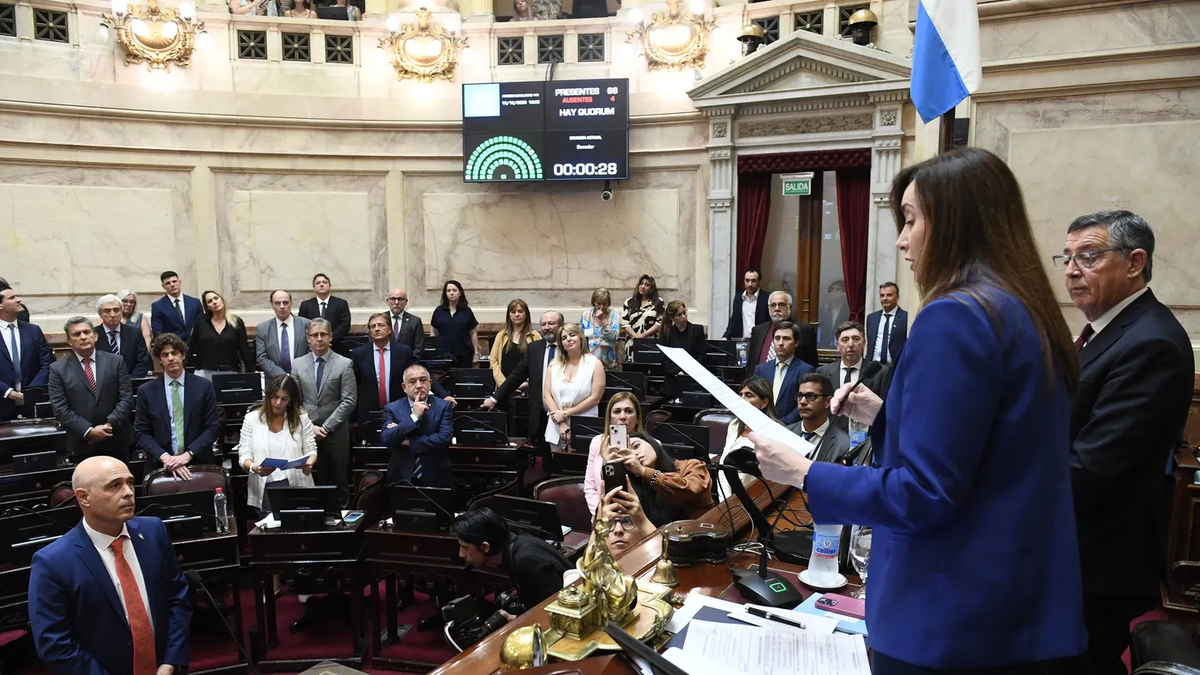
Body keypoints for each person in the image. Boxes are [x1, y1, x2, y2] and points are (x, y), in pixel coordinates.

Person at [752, 147, 1087, 673]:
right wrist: (885, 415)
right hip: (1018, 600)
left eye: (910, 220)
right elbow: (995, 448)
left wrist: (805, 473)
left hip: (948, 613)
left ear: (957, 222)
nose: (903, 239)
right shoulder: (1021, 310)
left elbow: (928, 494)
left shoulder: (954, 318)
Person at [1056, 210, 1194, 675]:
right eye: (1068, 257)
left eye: (1089, 257)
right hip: (1077, 552)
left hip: (1096, 562)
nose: (1072, 270)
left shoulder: (1149, 341)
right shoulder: (1105, 332)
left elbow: (1092, 469)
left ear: (1135, 262)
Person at [28, 456, 191, 675]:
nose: (128, 492)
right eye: (115, 485)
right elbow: (54, 644)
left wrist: (171, 661)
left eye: (130, 482)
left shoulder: (154, 532)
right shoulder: (52, 562)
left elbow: (178, 599)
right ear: (84, 497)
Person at [134, 333, 220, 480]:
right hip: (160, 466)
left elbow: (213, 428)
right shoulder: (146, 391)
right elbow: (141, 432)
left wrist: (187, 455)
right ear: (160, 360)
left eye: (174, 353)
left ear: (183, 355)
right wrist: (166, 457)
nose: (171, 358)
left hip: (198, 463)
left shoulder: (204, 386)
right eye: (165, 355)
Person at [49, 317, 134, 463]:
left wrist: (108, 425)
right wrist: (89, 431)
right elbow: (60, 409)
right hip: (83, 444)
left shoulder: (116, 361)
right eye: (76, 334)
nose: (83, 337)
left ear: (95, 336)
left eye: (87, 332)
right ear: (69, 341)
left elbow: (126, 398)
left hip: (116, 439)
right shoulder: (58, 369)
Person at [351, 313, 453, 434]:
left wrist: (443, 394)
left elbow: (420, 372)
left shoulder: (402, 351)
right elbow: (353, 385)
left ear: (389, 329)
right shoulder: (359, 354)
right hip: (369, 412)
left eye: (381, 325)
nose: (377, 329)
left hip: (398, 410)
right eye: (373, 326)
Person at [292, 319, 357, 507]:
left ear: (330, 337)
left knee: (340, 482)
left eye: (323, 334)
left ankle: (344, 526)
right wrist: (310, 426)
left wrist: (326, 427)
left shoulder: (344, 364)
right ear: (308, 339)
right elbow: (294, 401)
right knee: (313, 481)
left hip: (336, 434)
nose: (319, 339)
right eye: (314, 335)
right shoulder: (297, 364)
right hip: (307, 433)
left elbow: (349, 400)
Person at [452, 507, 571, 607]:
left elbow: (554, 607)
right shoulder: (515, 548)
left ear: (485, 547)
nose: (461, 554)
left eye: (465, 548)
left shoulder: (526, 559)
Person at [238, 375, 317, 517]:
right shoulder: (252, 419)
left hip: (297, 484)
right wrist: (254, 467)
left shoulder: (301, 418)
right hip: (266, 487)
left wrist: (309, 463)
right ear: (268, 396)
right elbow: (244, 454)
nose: (278, 403)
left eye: (284, 399)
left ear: (291, 400)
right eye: (275, 397)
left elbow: (311, 448)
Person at [482, 310, 563, 444]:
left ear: (561, 325)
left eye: (551, 323)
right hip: (541, 412)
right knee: (544, 456)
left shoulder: (570, 348)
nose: (547, 327)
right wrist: (495, 398)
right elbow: (516, 375)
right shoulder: (534, 349)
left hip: (565, 411)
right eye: (543, 324)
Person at [610, 432, 712, 524]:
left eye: (636, 446)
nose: (635, 454)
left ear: (654, 444)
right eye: (629, 453)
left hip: (698, 537)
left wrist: (644, 472)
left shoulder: (691, 466)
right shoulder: (633, 484)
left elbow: (689, 490)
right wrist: (609, 467)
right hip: (656, 540)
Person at [382, 364, 454, 489]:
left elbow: (445, 438)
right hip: (401, 476)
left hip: (436, 475)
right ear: (404, 387)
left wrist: (408, 441)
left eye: (423, 380)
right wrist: (414, 417)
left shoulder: (443, 406)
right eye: (412, 381)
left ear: (430, 383)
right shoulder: (392, 408)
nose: (419, 385)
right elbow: (387, 439)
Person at [815, 321, 889, 432]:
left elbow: (885, 409)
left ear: (864, 344)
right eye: (845, 340)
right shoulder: (823, 372)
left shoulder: (880, 372)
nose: (850, 344)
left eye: (856, 339)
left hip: (866, 438)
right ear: (838, 346)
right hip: (831, 437)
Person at [543, 324, 605, 449]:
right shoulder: (554, 365)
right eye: (564, 338)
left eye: (572, 335)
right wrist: (561, 422)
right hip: (557, 426)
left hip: (584, 424)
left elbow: (595, 398)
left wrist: (565, 414)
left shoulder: (594, 363)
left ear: (580, 338)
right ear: (561, 344)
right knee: (558, 465)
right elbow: (547, 395)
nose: (569, 339)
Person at [584, 392, 644, 516]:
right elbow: (590, 487)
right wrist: (600, 513)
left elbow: (654, 490)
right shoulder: (597, 443)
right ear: (610, 418)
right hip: (605, 517)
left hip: (639, 519)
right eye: (617, 411)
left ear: (637, 418)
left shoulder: (651, 445)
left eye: (628, 411)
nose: (622, 417)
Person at [0, 286, 53, 421]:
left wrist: (30, 393)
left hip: (32, 405)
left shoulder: (33, 331)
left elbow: (46, 363)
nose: (19, 300)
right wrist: (8, 392)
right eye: (12, 298)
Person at [752, 321, 813, 425]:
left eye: (786, 338)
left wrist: (782, 423)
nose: (780, 343)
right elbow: (753, 398)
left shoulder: (806, 370)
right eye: (777, 338)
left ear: (796, 343)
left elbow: (804, 403)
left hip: (791, 428)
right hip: (761, 425)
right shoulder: (761, 369)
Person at [784, 373, 851, 463]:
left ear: (827, 402)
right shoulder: (785, 434)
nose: (802, 402)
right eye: (800, 396)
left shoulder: (844, 444)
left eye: (811, 396)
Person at [188, 290, 255, 373]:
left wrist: (253, 371)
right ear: (208, 307)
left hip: (229, 371)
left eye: (216, 298)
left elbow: (244, 349)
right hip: (204, 371)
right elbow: (191, 346)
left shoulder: (236, 321)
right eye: (210, 301)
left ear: (222, 300)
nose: (214, 302)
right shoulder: (201, 321)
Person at [747, 291, 818, 368]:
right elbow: (751, 363)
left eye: (781, 305)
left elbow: (811, 366)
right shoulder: (757, 330)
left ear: (789, 307)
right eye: (773, 305)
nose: (777, 309)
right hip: (759, 378)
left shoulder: (805, 331)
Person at [255, 290, 311, 379]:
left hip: (304, 378)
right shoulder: (263, 329)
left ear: (291, 304)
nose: (282, 306)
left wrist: (296, 374)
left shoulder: (306, 324)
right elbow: (262, 358)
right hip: (275, 381)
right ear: (272, 305)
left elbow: (312, 352)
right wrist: (283, 376)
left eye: (285, 303)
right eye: (277, 303)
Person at [489, 299, 542, 391]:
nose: (517, 314)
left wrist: (526, 383)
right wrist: (504, 384)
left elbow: (539, 363)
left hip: (527, 388)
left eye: (520, 311)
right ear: (509, 315)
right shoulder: (501, 335)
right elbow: (494, 361)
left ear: (526, 314)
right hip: (503, 387)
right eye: (513, 312)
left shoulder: (535, 336)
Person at [659, 300, 706, 400]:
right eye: (679, 315)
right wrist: (677, 372)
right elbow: (664, 359)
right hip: (672, 381)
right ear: (672, 318)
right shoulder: (667, 333)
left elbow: (701, 355)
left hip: (693, 378)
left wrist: (687, 371)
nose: (683, 317)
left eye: (684, 313)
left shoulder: (697, 330)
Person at [96, 294, 152, 377]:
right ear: (100, 314)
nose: (112, 315)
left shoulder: (134, 333)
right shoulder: (93, 335)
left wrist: (128, 382)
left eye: (116, 310)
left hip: (132, 383)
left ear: (121, 312)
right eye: (107, 311)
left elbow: (142, 362)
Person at [430, 280, 479, 367]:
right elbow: (433, 331)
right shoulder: (439, 311)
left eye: (454, 290)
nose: (451, 293)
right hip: (443, 355)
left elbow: (473, 333)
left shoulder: (467, 311)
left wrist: (476, 353)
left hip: (464, 355)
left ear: (460, 292)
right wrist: (433, 351)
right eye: (448, 291)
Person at [298, 273, 352, 351]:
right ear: (314, 288)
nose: (321, 285)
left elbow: (345, 325)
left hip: (336, 346)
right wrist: (316, 340)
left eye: (324, 282)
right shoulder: (306, 305)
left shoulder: (341, 303)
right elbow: (303, 326)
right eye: (318, 283)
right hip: (313, 348)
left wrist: (328, 339)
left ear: (330, 286)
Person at [150, 271, 202, 341]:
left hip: (195, 346)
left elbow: (201, 326)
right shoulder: (158, 306)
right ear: (163, 286)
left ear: (179, 282)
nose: (172, 285)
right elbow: (158, 333)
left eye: (174, 281)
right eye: (168, 283)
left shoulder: (195, 302)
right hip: (173, 347)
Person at [866, 282, 908, 365]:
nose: (885, 298)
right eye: (882, 295)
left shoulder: (906, 318)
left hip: (895, 367)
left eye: (889, 295)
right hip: (873, 367)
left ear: (897, 297)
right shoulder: (872, 318)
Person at [580, 288, 621, 369]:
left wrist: (604, 321)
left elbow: (614, 337)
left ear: (608, 303)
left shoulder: (614, 315)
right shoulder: (586, 314)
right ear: (594, 302)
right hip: (589, 360)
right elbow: (580, 336)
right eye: (598, 303)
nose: (601, 307)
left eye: (604, 304)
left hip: (608, 360)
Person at [723, 268, 769, 340]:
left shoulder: (767, 298)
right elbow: (734, 319)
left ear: (759, 282)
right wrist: (725, 337)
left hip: (760, 341)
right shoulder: (738, 297)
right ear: (744, 281)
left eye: (753, 281)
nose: (750, 284)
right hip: (741, 341)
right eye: (747, 280)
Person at [621, 275, 665, 341]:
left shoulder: (658, 302)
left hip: (650, 341)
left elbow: (659, 323)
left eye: (647, 285)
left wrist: (643, 335)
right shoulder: (629, 302)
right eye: (641, 284)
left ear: (651, 288)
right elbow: (625, 324)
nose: (643, 287)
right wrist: (636, 337)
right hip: (632, 341)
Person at [384, 288, 425, 355]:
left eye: (400, 299)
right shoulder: (380, 320)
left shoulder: (415, 321)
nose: (396, 302)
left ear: (406, 301)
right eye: (393, 299)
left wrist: (407, 361)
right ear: (387, 301)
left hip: (408, 363)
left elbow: (419, 347)